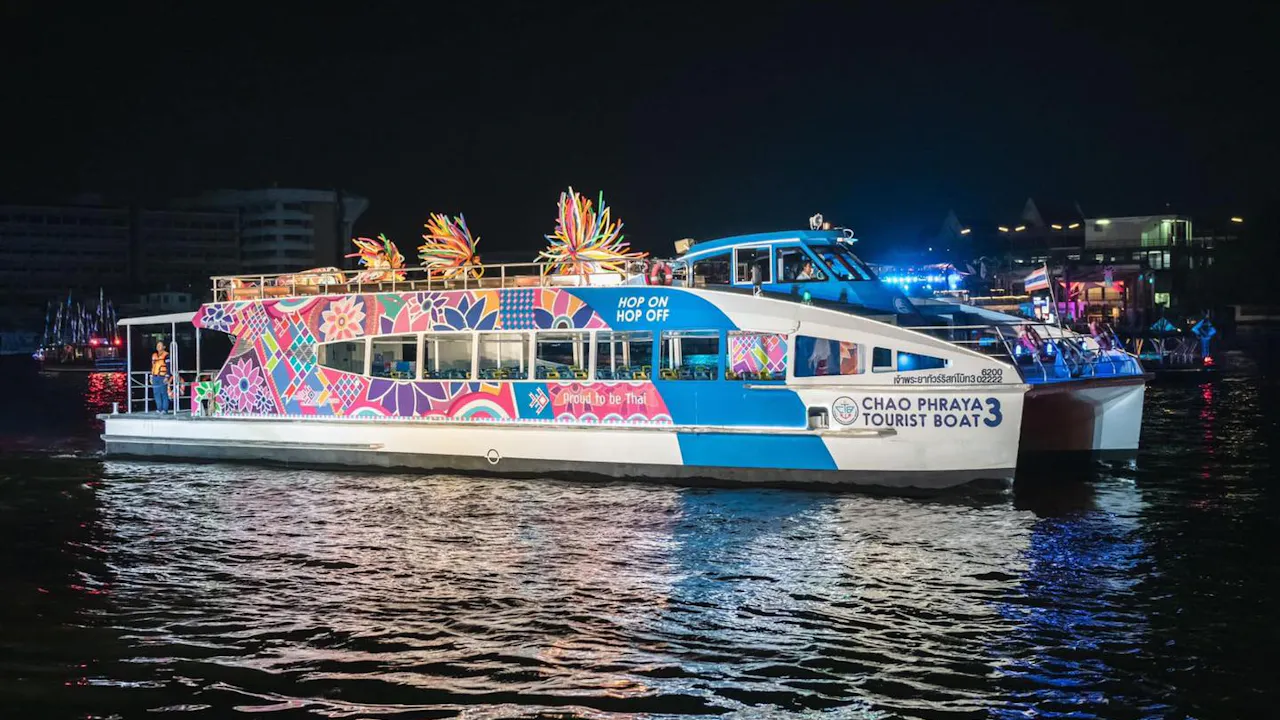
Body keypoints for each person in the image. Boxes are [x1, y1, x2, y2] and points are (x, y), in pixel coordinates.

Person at [151, 340, 172, 413]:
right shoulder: (154, 355)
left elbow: (169, 367)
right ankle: (159, 408)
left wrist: (167, 376)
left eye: (160, 345)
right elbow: (153, 366)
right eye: (157, 345)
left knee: (163, 393)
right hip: (155, 377)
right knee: (156, 393)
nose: (158, 347)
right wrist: (151, 376)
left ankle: (165, 409)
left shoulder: (166, 355)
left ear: (164, 347)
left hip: (163, 376)